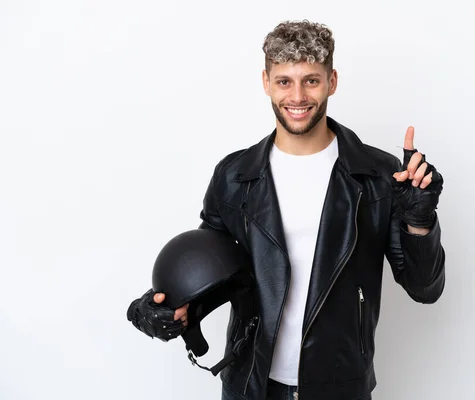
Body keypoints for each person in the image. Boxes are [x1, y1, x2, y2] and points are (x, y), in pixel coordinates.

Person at [127, 20, 445, 400]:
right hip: (251, 385)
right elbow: (214, 270)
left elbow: (425, 288)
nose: (297, 96)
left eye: (311, 80)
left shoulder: (378, 175)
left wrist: (419, 221)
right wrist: (164, 306)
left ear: (332, 81)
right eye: (284, 81)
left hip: (341, 386)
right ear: (266, 82)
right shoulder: (234, 176)